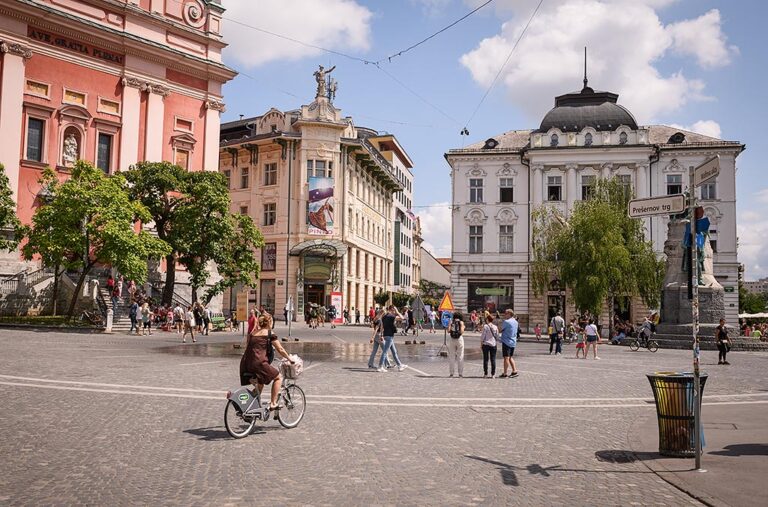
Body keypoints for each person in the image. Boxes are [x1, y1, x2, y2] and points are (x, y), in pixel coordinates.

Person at [239, 313, 294, 411]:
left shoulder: (253, 333)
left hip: (247, 363)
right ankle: (273, 403)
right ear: (269, 322)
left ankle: (248, 408)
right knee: (278, 377)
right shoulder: (269, 334)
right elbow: (280, 349)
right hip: (259, 363)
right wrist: (290, 359)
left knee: (260, 384)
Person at [377, 305, 407, 372]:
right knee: (385, 352)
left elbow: (382, 327)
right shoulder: (391, 316)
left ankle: (400, 365)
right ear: (391, 309)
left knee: (394, 352)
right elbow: (402, 318)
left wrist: (381, 335)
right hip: (389, 336)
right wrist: (397, 312)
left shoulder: (383, 317)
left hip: (386, 335)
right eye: (394, 310)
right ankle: (380, 366)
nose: (394, 312)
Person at [499, 309, 520, 378]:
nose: (505, 315)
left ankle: (505, 373)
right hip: (513, 341)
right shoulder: (516, 322)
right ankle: (514, 371)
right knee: (510, 357)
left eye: (506, 313)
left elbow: (500, 329)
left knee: (506, 358)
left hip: (506, 341)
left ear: (509, 314)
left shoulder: (506, 322)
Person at [480, 314, 499, 378]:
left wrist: (481, 343)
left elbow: (483, 336)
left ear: (487, 319)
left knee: (485, 359)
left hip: (486, 344)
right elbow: (497, 336)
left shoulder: (485, 326)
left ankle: (485, 374)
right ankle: (493, 374)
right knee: (493, 359)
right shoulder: (495, 327)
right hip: (493, 344)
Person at [447, 313, 465, 377]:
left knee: (451, 356)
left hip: (452, 339)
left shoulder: (451, 321)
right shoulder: (461, 322)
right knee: (460, 356)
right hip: (459, 339)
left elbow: (448, 331)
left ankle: (451, 373)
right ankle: (460, 373)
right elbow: (462, 331)